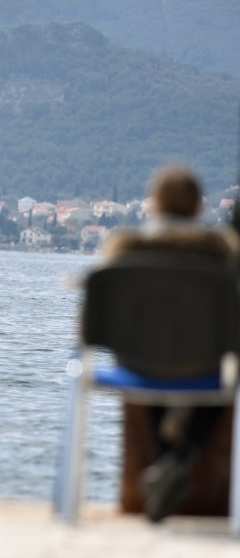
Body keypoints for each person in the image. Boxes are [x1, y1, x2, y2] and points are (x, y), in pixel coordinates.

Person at [102, 164, 238, 522]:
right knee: (223, 379)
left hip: (139, 364)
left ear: (154, 204)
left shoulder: (126, 248)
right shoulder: (219, 253)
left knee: (152, 366)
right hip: (204, 366)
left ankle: (167, 464)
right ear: (198, 208)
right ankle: (177, 460)